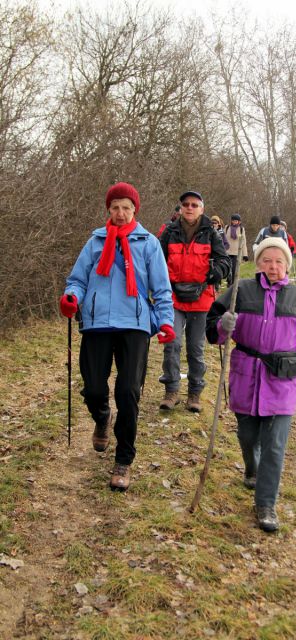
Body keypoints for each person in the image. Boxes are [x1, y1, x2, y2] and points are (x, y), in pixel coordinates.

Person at [206, 237, 296, 532]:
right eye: (267, 260)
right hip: (246, 377)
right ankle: (251, 467)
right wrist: (222, 326)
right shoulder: (241, 290)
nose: (273, 266)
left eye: (279, 261)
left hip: (282, 381)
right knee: (247, 435)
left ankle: (266, 503)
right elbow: (212, 324)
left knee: (275, 446)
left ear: (287, 266)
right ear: (258, 263)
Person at [59, 182, 175, 492]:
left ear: (135, 210)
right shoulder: (95, 242)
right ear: (108, 211)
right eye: (115, 208)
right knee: (94, 388)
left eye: (126, 207)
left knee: (128, 392)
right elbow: (78, 280)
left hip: (135, 325)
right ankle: (101, 417)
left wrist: (165, 321)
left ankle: (123, 460)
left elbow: (162, 289)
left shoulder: (148, 243)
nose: (121, 213)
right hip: (96, 323)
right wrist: (71, 296)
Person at [158, 190, 231, 413]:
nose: (189, 208)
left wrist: (215, 272)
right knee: (172, 344)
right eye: (186, 204)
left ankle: (194, 394)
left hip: (202, 300)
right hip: (173, 298)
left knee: (195, 349)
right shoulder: (169, 232)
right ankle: (171, 391)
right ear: (180, 208)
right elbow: (157, 261)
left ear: (202, 208)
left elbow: (225, 263)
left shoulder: (211, 233)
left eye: (194, 204)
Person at [223, 214, 249, 286]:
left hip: (236, 253)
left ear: (239, 222)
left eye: (236, 221)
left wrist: (245, 255)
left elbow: (243, 242)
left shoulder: (241, 229)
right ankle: (229, 282)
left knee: (234, 269)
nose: (234, 222)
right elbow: (222, 239)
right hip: (227, 252)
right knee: (228, 268)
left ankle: (233, 284)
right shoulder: (227, 227)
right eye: (233, 220)